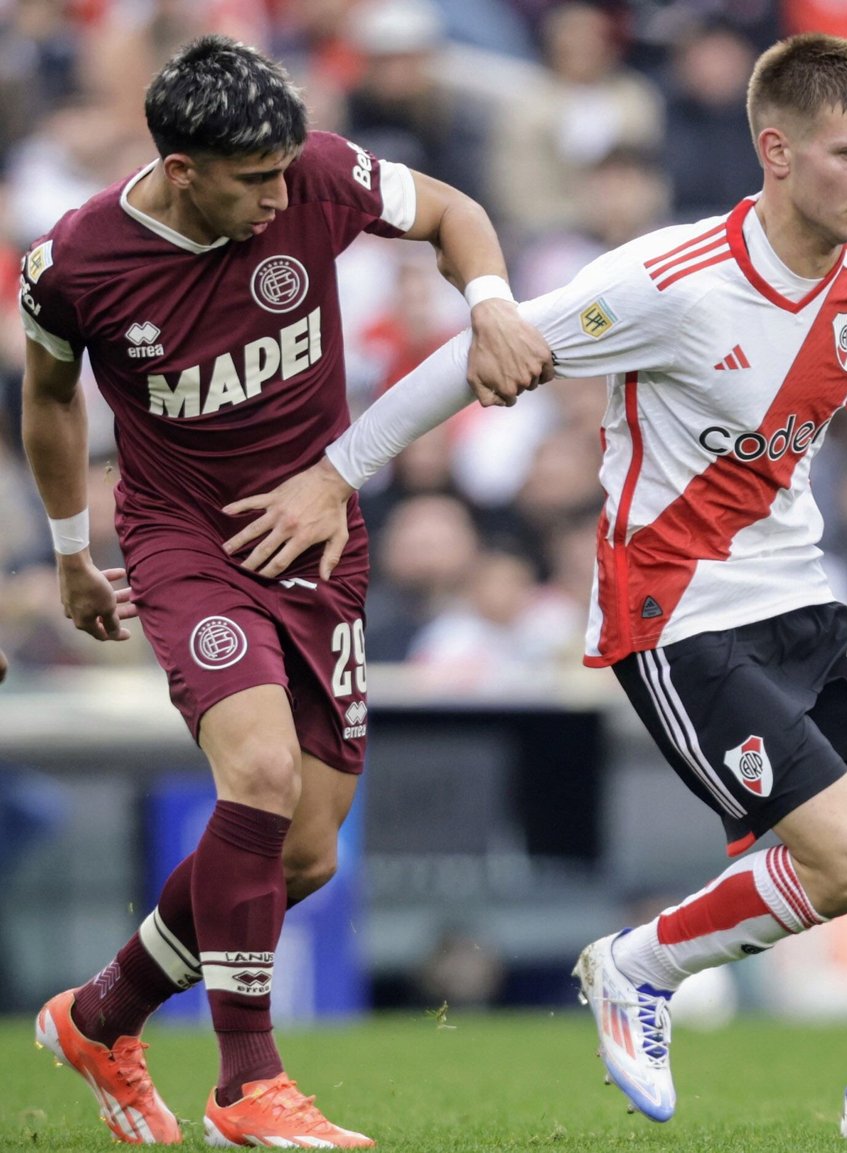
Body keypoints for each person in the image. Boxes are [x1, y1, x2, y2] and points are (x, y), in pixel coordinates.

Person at [223, 32, 847, 1137]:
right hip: (677, 612)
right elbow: (479, 349)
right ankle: (637, 968)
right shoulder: (668, 282)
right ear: (776, 152)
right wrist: (334, 477)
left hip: (803, 598)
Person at [19, 35, 550, 1147]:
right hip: (183, 541)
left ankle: (101, 1015)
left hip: (319, 538)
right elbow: (54, 397)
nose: (280, 193)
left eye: (281, 171)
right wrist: (71, 552)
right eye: (251, 179)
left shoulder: (315, 170)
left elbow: (453, 211)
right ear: (179, 168)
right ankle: (246, 1084)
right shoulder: (76, 262)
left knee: (302, 853)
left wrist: (492, 302)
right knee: (254, 775)